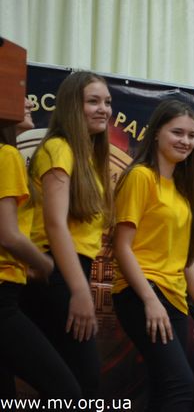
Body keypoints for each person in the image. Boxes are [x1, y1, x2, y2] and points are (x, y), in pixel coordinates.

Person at [111, 99, 194, 412]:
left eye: (192, 135)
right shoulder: (141, 177)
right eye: (177, 132)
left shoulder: (181, 191)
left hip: (174, 299)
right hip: (141, 293)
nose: (186, 141)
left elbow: (185, 258)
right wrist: (149, 299)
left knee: (164, 386)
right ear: (156, 133)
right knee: (180, 384)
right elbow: (122, 246)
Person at [22, 71, 113, 397]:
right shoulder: (59, 147)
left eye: (107, 102)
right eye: (93, 101)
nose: (104, 109)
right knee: (84, 383)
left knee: (72, 385)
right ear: (73, 106)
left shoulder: (87, 157)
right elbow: (55, 224)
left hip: (68, 271)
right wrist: (79, 290)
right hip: (54, 272)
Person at [0, 98, 82, 399]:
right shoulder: (7, 154)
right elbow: (8, 235)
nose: (28, 102)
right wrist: (45, 263)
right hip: (3, 298)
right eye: (16, 93)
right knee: (68, 394)